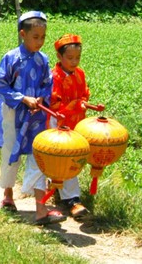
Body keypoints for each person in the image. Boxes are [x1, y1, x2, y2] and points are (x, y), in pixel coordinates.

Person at [0, 11, 66, 225]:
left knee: (38, 155)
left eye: (43, 37)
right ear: (23, 34)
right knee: (11, 152)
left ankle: (40, 208)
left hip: (37, 116)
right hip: (13, 114)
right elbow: (2, 84)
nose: (39, 41)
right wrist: (22, 98)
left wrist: (40, 98)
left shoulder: (43, 60)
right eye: (35, 37)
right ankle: (8, 195)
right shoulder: (11, 58)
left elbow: (48, 85)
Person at [48, 33, 91, 219]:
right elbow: (54, 103)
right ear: (59, 56)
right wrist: (73, 106)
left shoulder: (80, 74)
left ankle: (59, 189)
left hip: (77, 122)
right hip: (60, 123)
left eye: (78, 58)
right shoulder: (54, 77)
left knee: (74, 157)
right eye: (70, 58)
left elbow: (84, 93)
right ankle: (73, 200)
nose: (74, 62)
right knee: (67, 158)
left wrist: (82, 102)